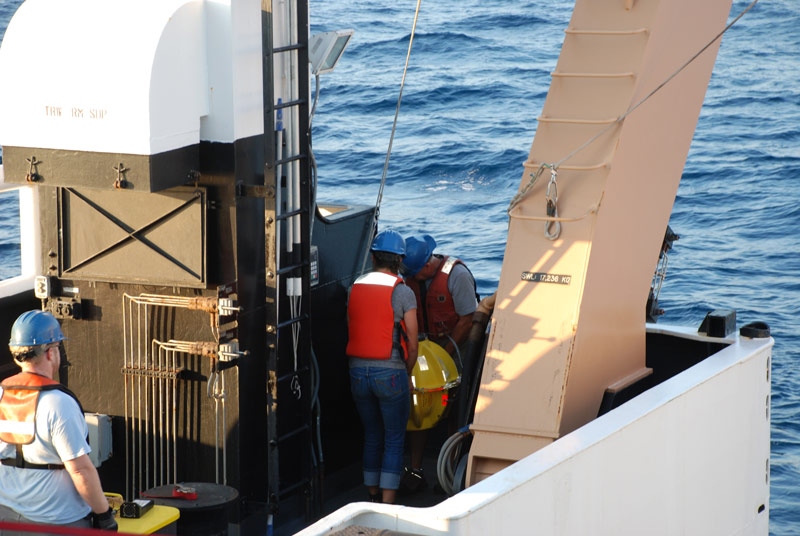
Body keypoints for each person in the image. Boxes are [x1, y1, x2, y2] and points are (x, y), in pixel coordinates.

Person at [0, 310, 117, 534]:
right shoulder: (58, 403)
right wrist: (104, 516)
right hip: (56, 522)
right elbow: (81, 471)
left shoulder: (1, 395)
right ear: (51, 353)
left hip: (5, 517)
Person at [400, 234, 478, 492]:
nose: (410, 277)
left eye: (414, 273)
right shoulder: (410, 279)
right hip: (424, 352)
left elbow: (468, 319)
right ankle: (415, 470)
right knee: (419, 407)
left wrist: (443, 354)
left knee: (456, 411)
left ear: (426, 266)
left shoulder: (458, 276)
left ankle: (451, 473)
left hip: (455, 349)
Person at [347, 230, 419, 504]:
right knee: (394, 437)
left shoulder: (355, 286)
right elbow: (412, 341)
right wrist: (407, 372)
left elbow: (350, 325)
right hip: (390, 372)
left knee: (372, 434)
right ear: (400, 260)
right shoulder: (402, 292)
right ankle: (387, 502)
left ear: (373, 256)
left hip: (356, 372)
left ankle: (372, 493)